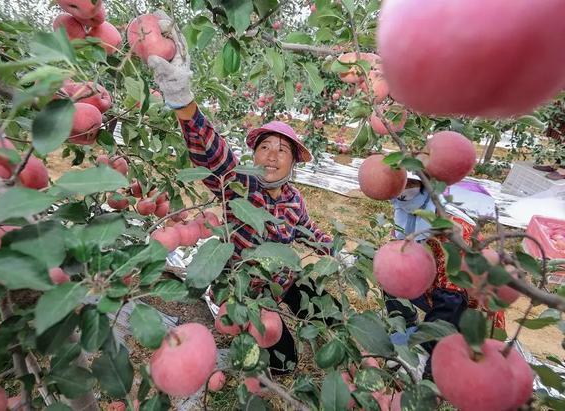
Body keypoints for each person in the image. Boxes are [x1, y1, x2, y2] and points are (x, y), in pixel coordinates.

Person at [147, 12, 339, 375]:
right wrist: (182, 100)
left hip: (281, 279)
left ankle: (329, 330)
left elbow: (306, 230)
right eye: (266, 146)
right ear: (254, 154)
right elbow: (211, 152)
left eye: (283, 150)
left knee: (328, 310)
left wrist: (332, 248)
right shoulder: (238, 183)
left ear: (293, 163)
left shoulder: (295, 200)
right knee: (284, 360)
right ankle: (268, 364)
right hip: (247, 290)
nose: (272, 154)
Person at [386, 174, 505, 377]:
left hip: (468, 311)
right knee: (391, 272)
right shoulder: (410, 221)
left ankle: (435, 355)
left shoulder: (453, 234)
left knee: (443, 327)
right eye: (400, 187)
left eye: (411, 185)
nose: (403, 194)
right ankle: (407, 323)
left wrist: (425, 354)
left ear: (426, 188)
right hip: (438, 292)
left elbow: (452, 301)